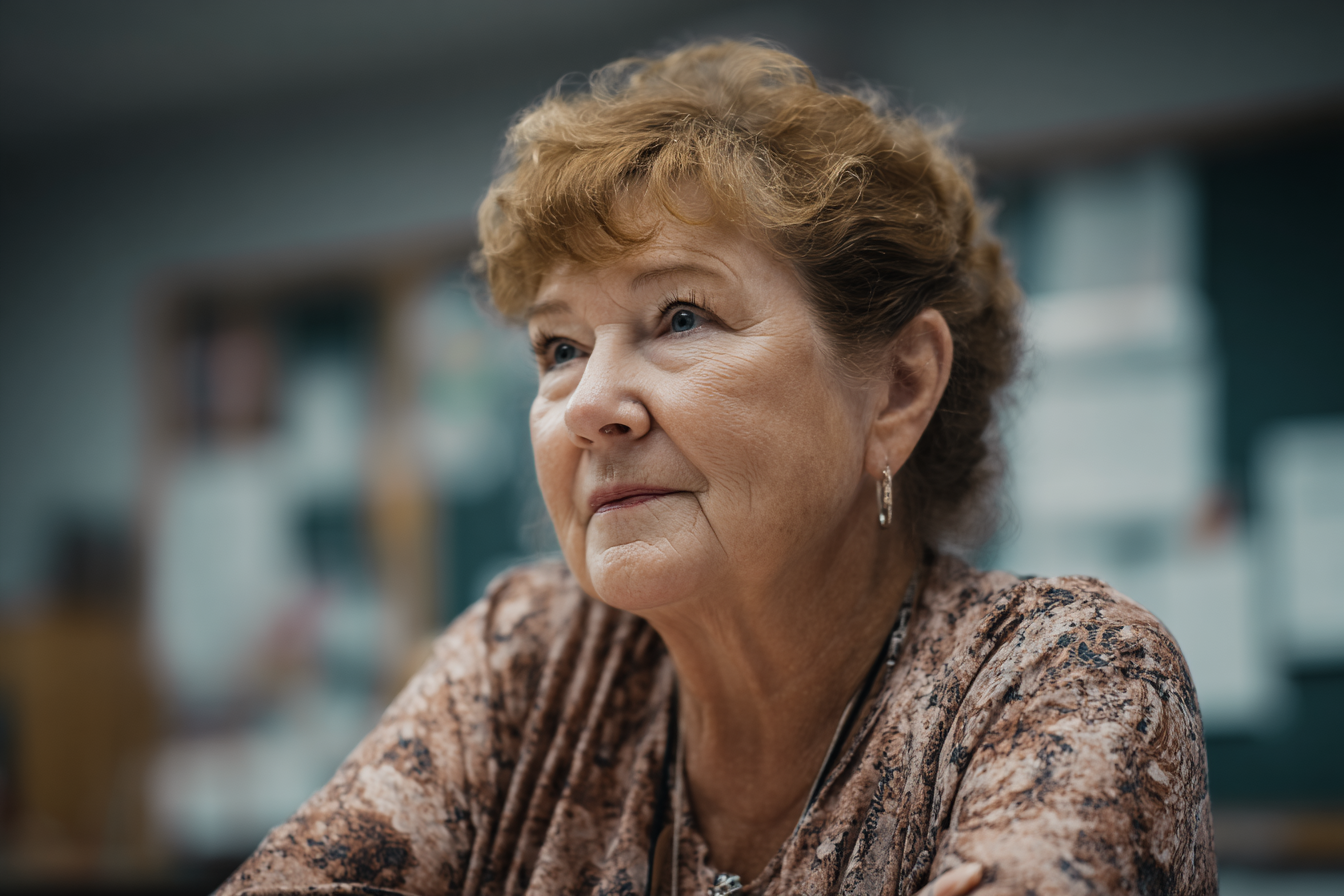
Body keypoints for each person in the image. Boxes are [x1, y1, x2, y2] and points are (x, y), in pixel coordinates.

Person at [218, 40, 1215, 896]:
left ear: (901, 388)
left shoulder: (1067, 675)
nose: (592, 405)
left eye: (680, 316)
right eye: (559, 347)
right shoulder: (525, 659)